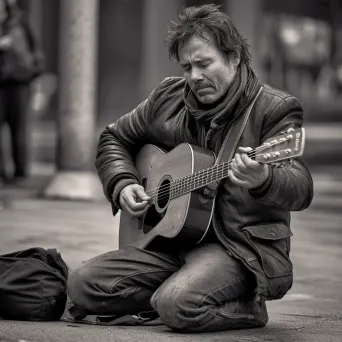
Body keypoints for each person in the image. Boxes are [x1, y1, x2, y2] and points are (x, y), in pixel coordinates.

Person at [67, 4, 313, 333]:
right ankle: (180, 293)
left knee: (176, 305)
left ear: (234, 57)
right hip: (168, 243)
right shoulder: (167, 98)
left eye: (204, 63)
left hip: (235, 249)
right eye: (186, 67)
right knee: (81, 283)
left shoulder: (274, 108)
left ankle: (244, 309)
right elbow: (114, 138)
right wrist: (124, 182)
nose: (194, 77)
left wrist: (265, 178)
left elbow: (300, 186)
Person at [0, 0, 44, 180]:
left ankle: (21, 172)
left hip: (20, 80)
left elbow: (35, 48)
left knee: (20, 127)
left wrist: (34, 71)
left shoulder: (20, 20)